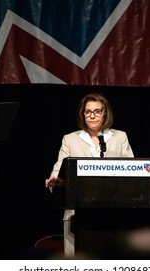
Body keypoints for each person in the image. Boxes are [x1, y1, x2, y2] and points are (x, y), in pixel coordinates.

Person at [45, 92, 134, 257]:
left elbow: (132, 172)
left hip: (113, 213)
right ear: (82, 114)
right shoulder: (70, 139)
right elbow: (59, 168)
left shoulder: (120, 137)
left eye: (97, 111)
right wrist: (56, 180)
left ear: (105, 113)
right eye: (88, 111)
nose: (92, 115)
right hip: (76, 214)